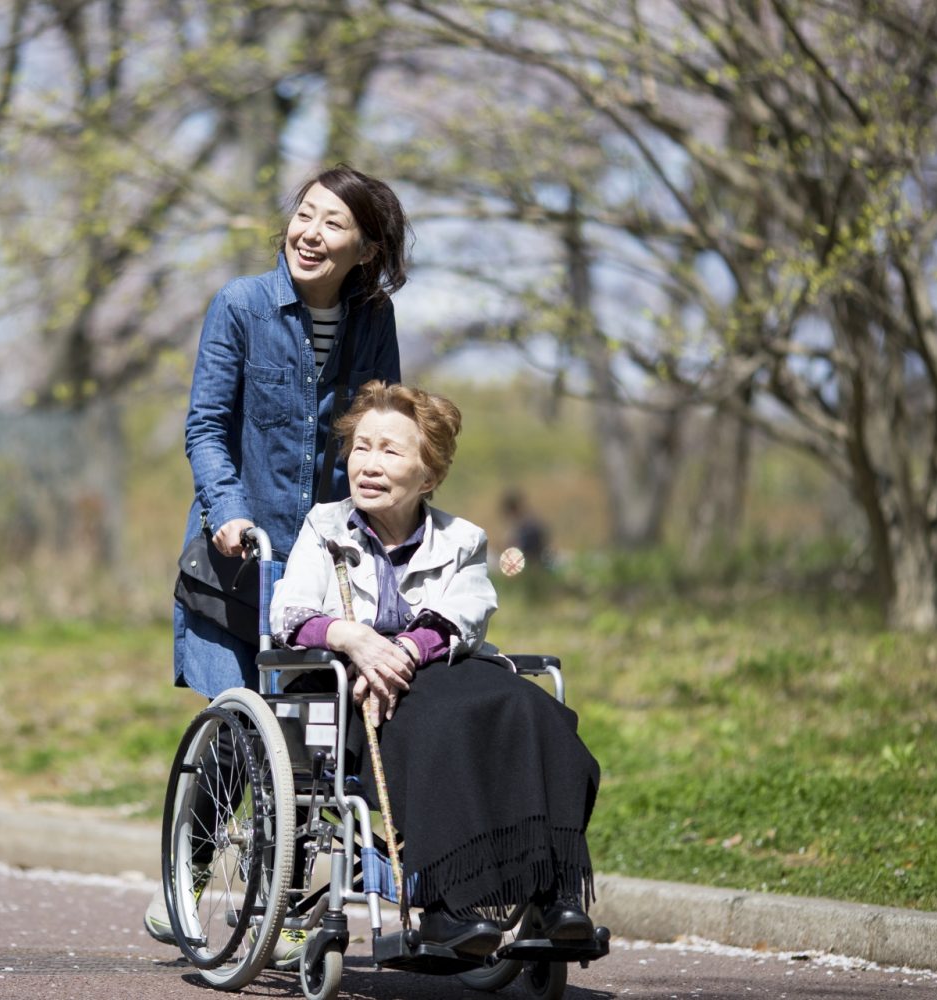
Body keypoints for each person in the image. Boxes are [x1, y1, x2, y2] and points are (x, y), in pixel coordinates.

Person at [147, 165, 412, 950]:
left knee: (313, 742)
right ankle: (185, 882)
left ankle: (295, 907)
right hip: (239, 557)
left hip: (323, 567)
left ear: (364, 248)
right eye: (305, 215)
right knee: (237, 731)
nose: (311, 232)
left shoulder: (374, 319)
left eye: (333, 224)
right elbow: (205, 428)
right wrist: (227, 513)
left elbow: (380, 431)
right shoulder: (240, 306)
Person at [270, 381, 601, 956]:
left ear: (428, 477)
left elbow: (467, 611)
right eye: (361, 447)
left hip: (433, 666)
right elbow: (290, 613)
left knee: (536, 712)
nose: (368, 465)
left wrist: (402, 650)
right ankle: (451, 907)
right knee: (438, 724)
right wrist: (356, 640)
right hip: (346, 688)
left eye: (390, 451)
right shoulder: (324, 529)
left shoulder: (461, 538)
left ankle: (553, 896)